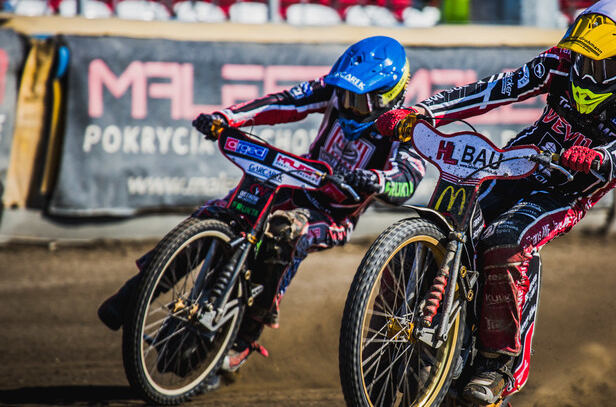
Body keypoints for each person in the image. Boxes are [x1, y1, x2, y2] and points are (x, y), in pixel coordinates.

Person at [376, 0, 616, 405]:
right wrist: (423, 112)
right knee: (444, 221)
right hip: (517, 162)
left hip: (568, 188)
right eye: (583, 59)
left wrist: (602, 158)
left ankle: (497, 364)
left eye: (601, 65)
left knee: (504, 242)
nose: (586, 72)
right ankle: (382, 325)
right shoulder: (560, 61)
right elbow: (494, 90)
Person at [97, 35, 426, 373]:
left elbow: (409, 176)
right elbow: (283, 102)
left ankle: (244, 339)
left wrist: (378, 180)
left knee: (285, 232)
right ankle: (134, 294)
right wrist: (227, 118)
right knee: (220, 212)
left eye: (359, 102)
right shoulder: (333, 88)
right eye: (344, 95)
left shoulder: (404, 127)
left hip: (331, 215)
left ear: (387, 97)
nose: (346, 105)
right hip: (293, 184)